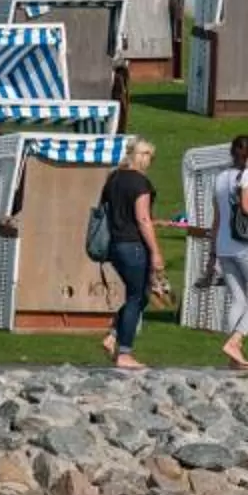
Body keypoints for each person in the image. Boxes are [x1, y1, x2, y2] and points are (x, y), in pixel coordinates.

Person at [97, 135, 164, 371]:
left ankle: (114, 334)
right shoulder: (140, 183)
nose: (150, 161)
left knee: (141, 295)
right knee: (136, 297)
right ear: (141, 156)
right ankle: (124, 352)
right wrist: (156, 252)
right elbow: (143, 219)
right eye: (149, 156)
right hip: (133, 244)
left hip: (114, 245)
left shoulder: (113, 178)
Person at [208, 132, 248, 372]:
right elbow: (247, 208)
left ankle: (233, 356)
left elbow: (216, 219)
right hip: (244, 244)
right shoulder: (247, 175)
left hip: (224, 245)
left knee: (238, 298)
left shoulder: (220, 178)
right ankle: (236, 341)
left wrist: (213, 253)